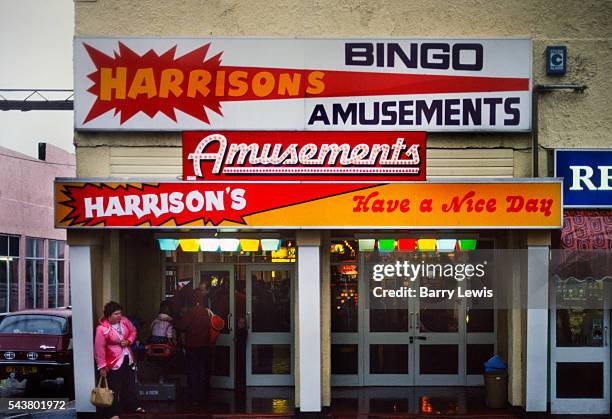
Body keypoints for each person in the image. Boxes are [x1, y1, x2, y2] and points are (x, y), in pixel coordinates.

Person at [94, 301, 145, 419]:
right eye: (116, 314)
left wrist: (128, 341)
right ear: (109, 315)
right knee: (114, 387)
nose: (119, 316)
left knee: (130, 383)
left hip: (128, 357)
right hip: (113, 361)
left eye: (120, 313)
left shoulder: (125, 321)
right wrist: (102, 366)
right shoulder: (101, 329)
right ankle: (113, 413)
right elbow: (99, 348)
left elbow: (133, 331)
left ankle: (132, 406)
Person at [177, 282, 212, 405]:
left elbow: (181, 327)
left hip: (192, 345)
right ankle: (203, 396)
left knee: (193, 371)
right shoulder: (206, 311)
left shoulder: (190, 312)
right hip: (205, 345)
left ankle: (194, 397)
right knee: (202, 370)